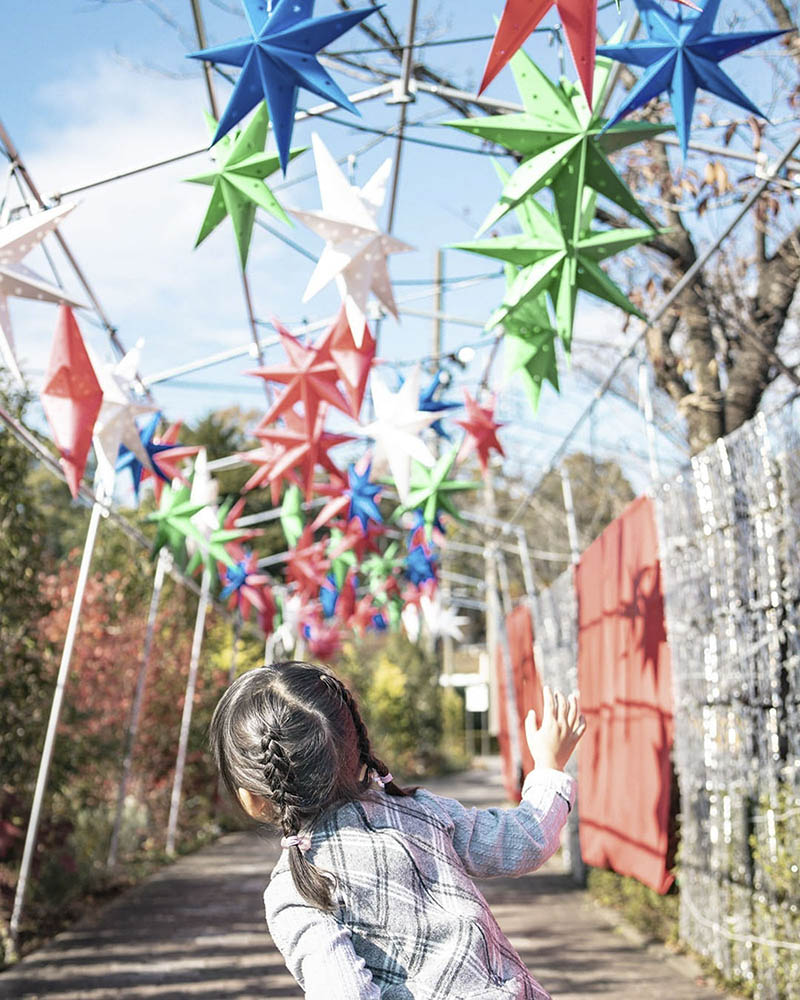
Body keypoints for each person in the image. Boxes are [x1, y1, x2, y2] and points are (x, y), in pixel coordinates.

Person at [209, 661, 586, 999]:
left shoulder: (295, 891)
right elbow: (523, 841)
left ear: (252, 800)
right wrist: (549, 766)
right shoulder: (421, 810)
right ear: (355, 743)